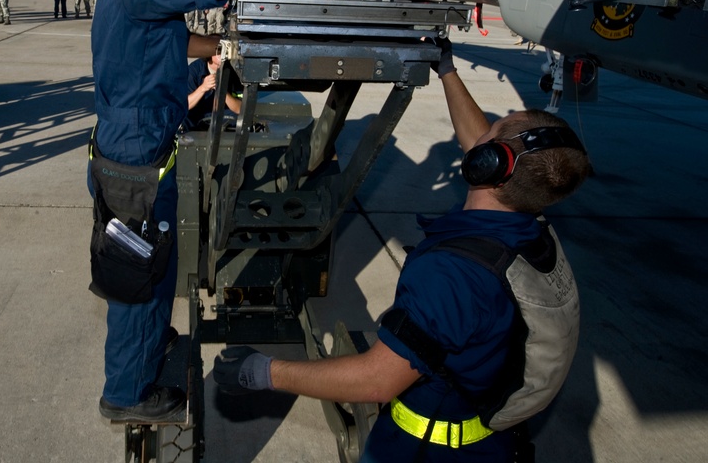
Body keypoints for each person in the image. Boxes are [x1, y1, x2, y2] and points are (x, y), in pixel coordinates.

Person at [89, 0, 378, 423]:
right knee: (137, 279)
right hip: (135, 157)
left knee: (148, 271)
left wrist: (216, 42)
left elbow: (168, 39)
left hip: (138, 147)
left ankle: (146, 355)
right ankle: (126, 396)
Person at [211, 40, 593, 462]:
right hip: (489, 439)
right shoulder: (527, 228)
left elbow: (375, 381)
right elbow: (478, 142)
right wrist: (447, 69)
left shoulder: (454, 275)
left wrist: (264, 371)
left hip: (423, 448)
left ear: (490, 166)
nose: (480, 135)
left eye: (492, 131)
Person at [184, 53, 241, 131]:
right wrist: (203, 87)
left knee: (242, 120)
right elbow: (185, 105)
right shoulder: (194, 70)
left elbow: (240, 108)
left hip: (223, 116)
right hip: (197, 116)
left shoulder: (235, 72)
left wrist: (223, 91)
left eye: (226, 50)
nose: (223, 54)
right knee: (181, 118)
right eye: (219, 50)